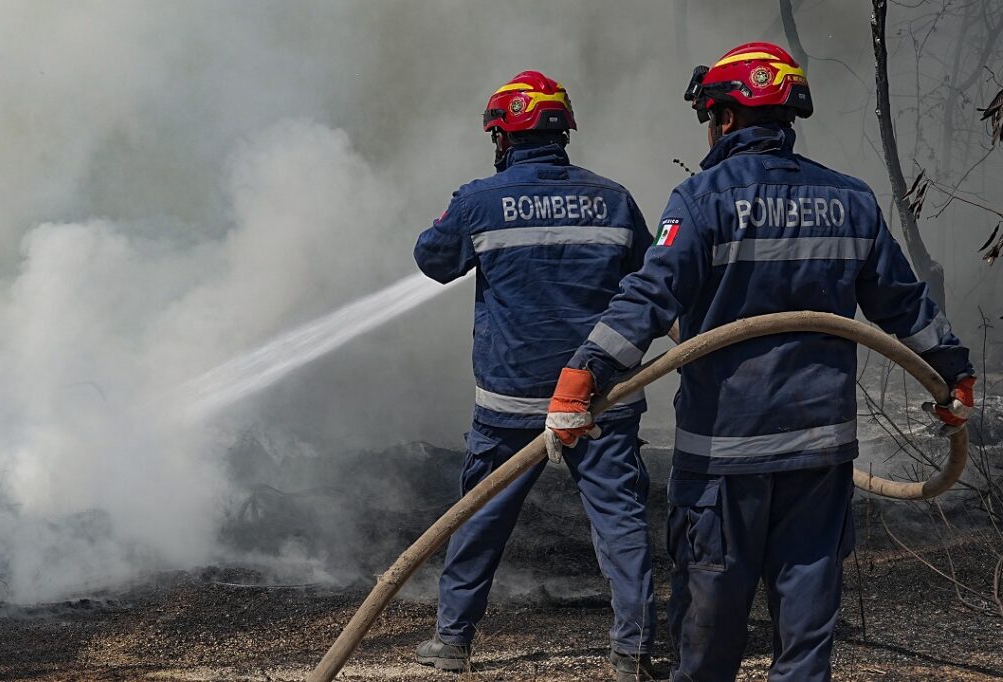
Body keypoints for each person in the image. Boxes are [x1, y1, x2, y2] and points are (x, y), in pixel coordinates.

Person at [545, 43, 976, 682]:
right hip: (818, 457)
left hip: (725, 459)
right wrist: (952, 371)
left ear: (724, 117)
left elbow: (648, 296)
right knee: (805, 642)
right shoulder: (850, 199)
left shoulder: (701, 200)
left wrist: (581, 379)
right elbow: (903, 303)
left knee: (709, 639)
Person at [413, 71, 661, 681]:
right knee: (621, 526)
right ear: (562, 132)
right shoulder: (614, 198)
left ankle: (452, 644)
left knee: (480, 519)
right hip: (601, 398)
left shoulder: (479, 199)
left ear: (504, 136)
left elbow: (432, 260)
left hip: (510, 401)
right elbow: (651, 285)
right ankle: (632, 652)